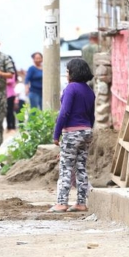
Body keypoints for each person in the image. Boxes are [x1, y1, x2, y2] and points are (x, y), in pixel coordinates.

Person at [49, 58, 95, 213]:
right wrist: (88, 131)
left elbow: (64, 112)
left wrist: (56, 134)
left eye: (67, 71)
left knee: (66, 168)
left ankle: (62, 203)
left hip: (72, 133)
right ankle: (81, 203)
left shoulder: (71, 88)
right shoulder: (89, 91)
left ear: (73, 72)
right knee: (81, 168)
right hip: (86, 132)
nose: (66, 74)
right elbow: (91, 116)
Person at [5, 57, 18, 132]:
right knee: (6, 111)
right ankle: (8, 126)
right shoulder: (5, 71)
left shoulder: (12, 72)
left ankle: (12, 126)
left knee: (10, 111)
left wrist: (1, 76)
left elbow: (9, 81)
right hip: (5, 94)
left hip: (10, 94)